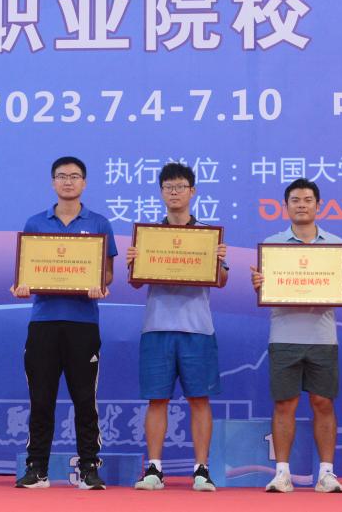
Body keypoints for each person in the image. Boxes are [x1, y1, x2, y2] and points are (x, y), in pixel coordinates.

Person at [12, 156, 117, 490]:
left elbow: (108, 274)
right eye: (61, 176)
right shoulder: (35, 223)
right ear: (52, 182)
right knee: (40, 399)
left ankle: (89, 468)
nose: (68, 181)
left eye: (74, 176)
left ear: (84, 182)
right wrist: (23, 285)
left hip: (83, 323)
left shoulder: (99, 223)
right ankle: (37, 469)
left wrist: (99, 284)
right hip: (43, 322)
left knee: (85, 399)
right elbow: (25, 271)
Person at [249, 179, 342, 493]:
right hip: (284, 335)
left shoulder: (334, 244)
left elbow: (340, 291)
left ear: (318, 205)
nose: (301, 205)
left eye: (308, 200)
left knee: (323, 403)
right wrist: (261, 285)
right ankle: (282, 473)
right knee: (285, 404)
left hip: (323, 336)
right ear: (286, 206)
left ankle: (326, 473)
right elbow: (266, 288)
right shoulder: (273, 245)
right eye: (295, 200)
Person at [129, 162, 228, 492]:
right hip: (157, 326)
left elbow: (222, 280)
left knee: (199, 399)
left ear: (192, 191)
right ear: (161, 192)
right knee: (157, 400)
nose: (174, 192)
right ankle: (154, 469)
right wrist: (134, 262)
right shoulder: (148, 236)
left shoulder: (207, 236)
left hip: (197, 329)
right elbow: (134, 283)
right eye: (168, 187)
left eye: (180, 186)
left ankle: (201, 470)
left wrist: (217, 261)